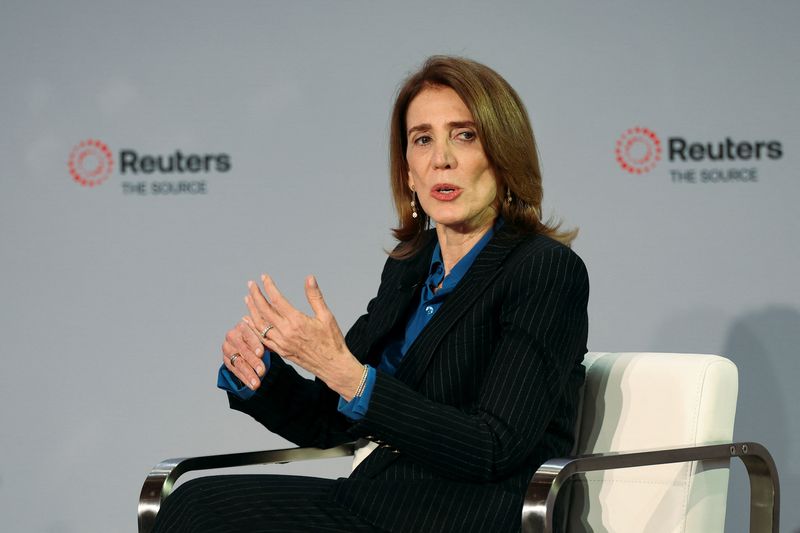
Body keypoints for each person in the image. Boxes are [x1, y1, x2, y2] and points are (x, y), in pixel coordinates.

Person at [153, 55, 589, 533]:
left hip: (459, 517)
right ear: (408, 171)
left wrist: (347, 375)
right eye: (422, 139)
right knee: (192, 502)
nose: (441, 158)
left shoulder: (544, 270)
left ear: (504, 154)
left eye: (465, 135)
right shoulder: (411, 266)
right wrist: (261, 377)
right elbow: (332, 422)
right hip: (375, 502)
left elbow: (493, 445)